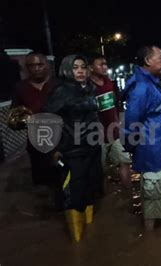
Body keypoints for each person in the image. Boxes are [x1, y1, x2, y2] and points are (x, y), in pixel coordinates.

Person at [43, 55, 103, 242]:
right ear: (67, 69)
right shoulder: (60, 91)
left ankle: (90, 236)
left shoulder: (90, 89)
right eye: (75, 67)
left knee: (91, 187)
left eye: (83, 67)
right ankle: (77, 242)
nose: (80, 71)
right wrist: (53, 150)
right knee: (73, 193)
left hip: (92, 147)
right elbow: (46, 120)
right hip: (71, 151)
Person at [122, 45, 161, 231]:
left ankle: (155, 242)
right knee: (153, 201)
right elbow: (131, 124)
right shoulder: (142, 88)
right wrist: (134, 149)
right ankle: (150, 244)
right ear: (148, 60)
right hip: (153, 155)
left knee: (158, 199)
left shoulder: (150, 83)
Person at [10, 52, 60, 187]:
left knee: (63, 181)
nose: (36, 68)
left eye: (40, 64)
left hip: (61, 143)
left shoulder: (59, 84)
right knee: (41, 185)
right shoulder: (20, 87)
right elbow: (14, 116)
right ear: (27, 68)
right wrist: (28, 120)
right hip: (36, 145)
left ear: (47, 65)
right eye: (32, 65)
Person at [89, 54, 132, 189]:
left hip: (114, 133)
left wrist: (120, 124)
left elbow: (117, 105)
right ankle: (102, 198)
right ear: (91, 67)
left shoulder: (109, 82)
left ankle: (128, 193)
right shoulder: (87, 87)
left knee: (125, 162)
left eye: (105, 64)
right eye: (100, 64)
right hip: (97, 136)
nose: (104, 67)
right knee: (100, 169)